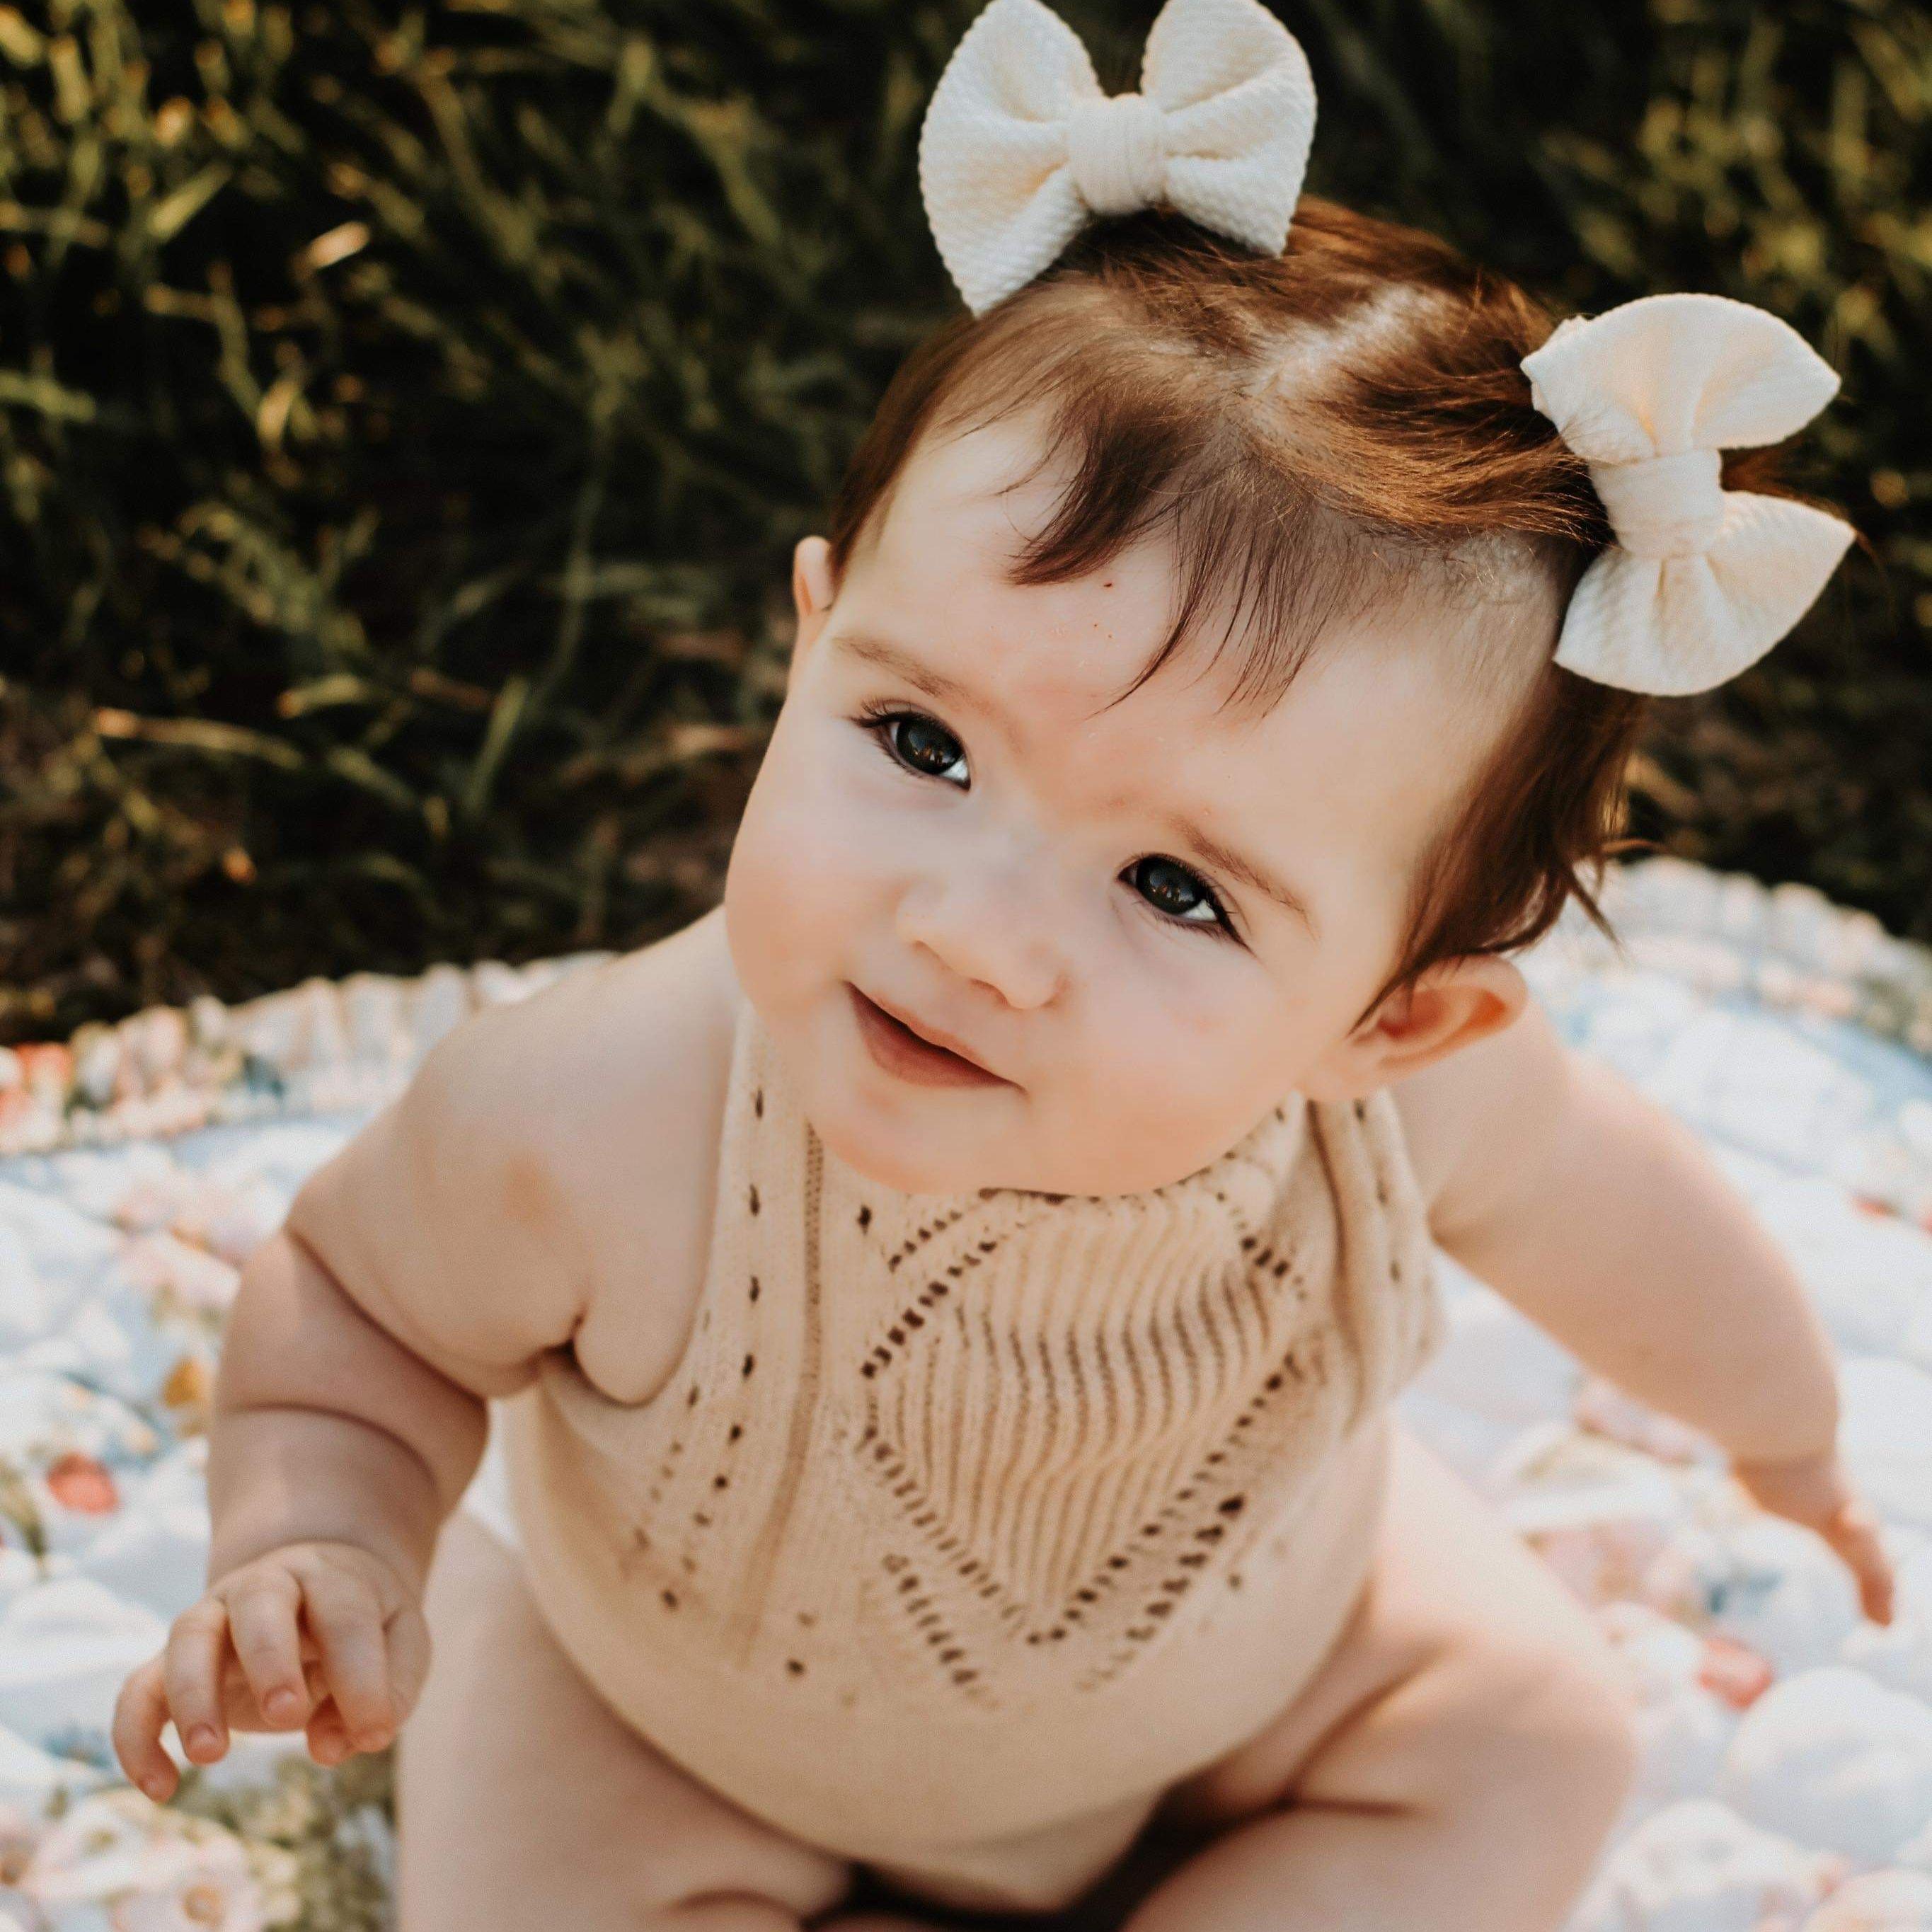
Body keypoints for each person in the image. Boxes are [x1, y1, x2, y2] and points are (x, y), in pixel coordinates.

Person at [111, 1, 1896, 1928]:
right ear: (811, 643)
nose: (972, 931)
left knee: (1535, 1739)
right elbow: (356, 1310)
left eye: (1176, 889)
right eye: (922, 743)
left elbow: (1624, 1219)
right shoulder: (601, 1113)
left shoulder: (1424, 1113)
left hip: (1260, 1673)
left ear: (1394, 1020)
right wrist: (320, 1536)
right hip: (665, 1737)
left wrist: (1787, 1432)